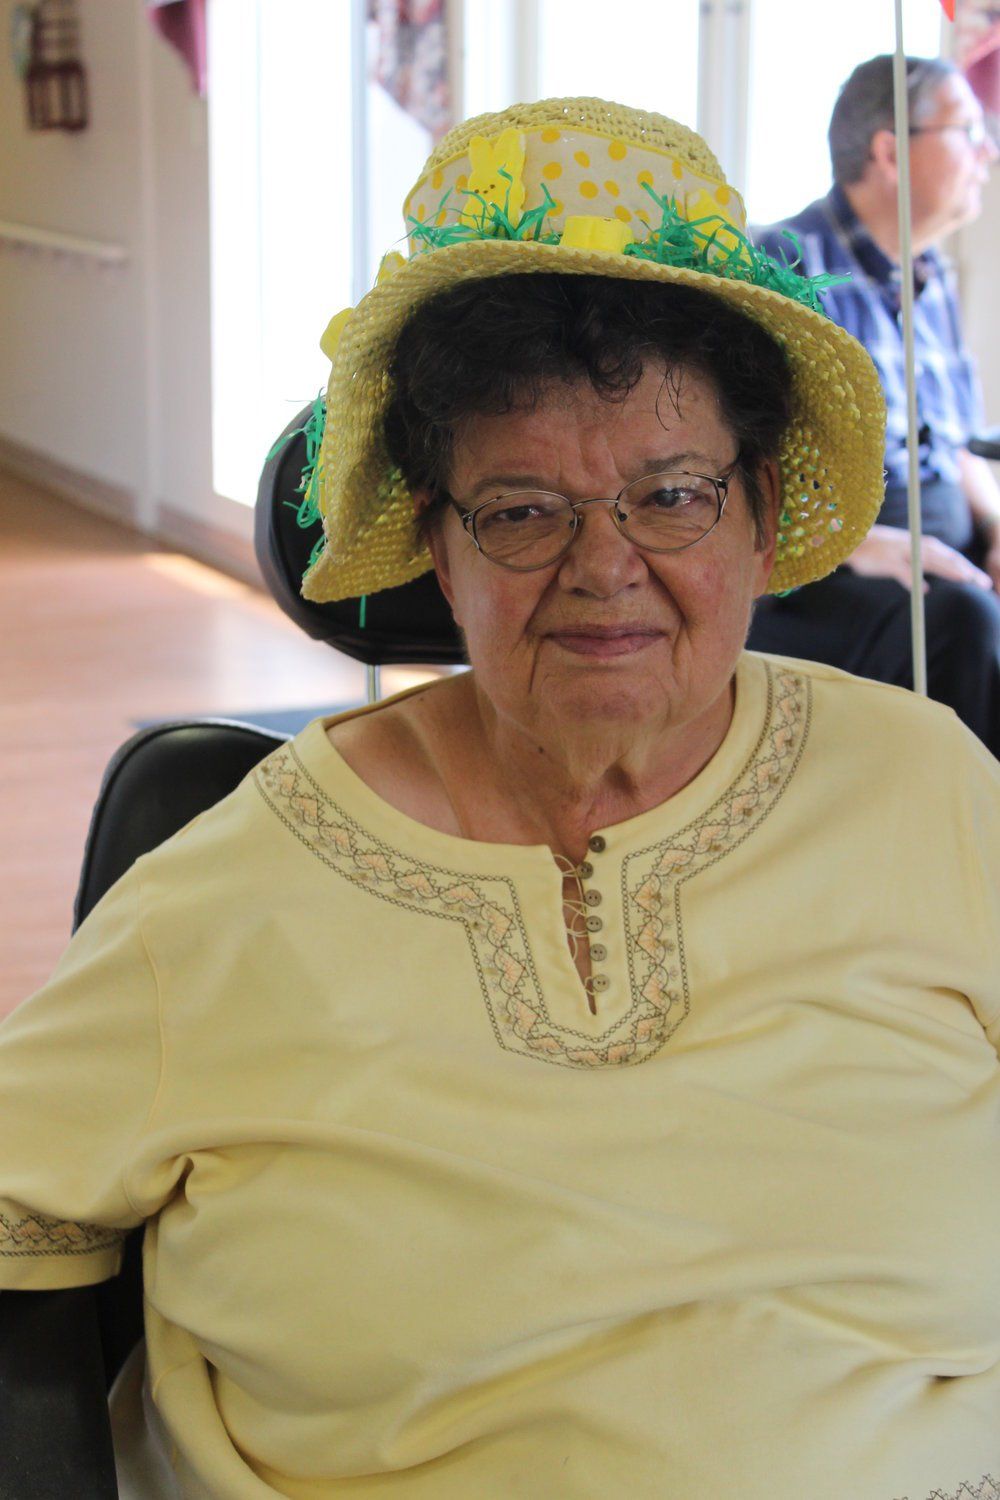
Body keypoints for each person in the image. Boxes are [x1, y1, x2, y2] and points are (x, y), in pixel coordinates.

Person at [1, 97, 999, 1500]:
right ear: (436, 543)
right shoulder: (224, 893)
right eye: (525, 509)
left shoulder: (931, 790)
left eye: (671, 494)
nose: (606, 566)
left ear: (763, 513)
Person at [748, 54, 1000, 758]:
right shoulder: (784, 264)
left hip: (939, 547)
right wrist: (860, 542)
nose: (989, 151)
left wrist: (996, 527)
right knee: (964, 621)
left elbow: (957, 445)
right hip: (828, 561)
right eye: (969, 131)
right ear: (890, 150)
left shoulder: (931, 277)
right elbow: (738, 463)